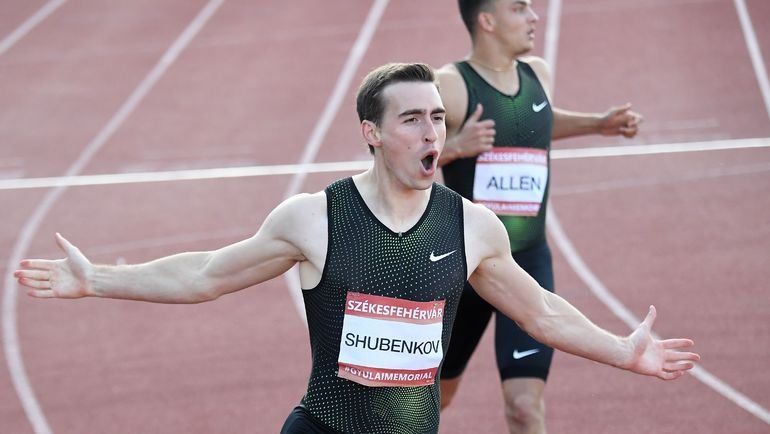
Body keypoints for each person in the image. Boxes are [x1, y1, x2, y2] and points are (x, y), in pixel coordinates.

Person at [15, 63, 696, 434]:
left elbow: (541, 312)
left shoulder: (471, 227)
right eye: (412, 119)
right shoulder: (315, 218)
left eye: (438, 117)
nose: (432, 132)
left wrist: (623, 350)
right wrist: (98, 279)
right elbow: (205, 275)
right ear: (372, 132)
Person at [436, 1, 645, 433]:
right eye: (519, 9)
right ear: (487, 20)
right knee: (431, 399)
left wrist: (597, 124)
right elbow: (398, 151)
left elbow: (536, 119)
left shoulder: (537, 74)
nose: (533, 17)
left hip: (527, 261)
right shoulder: (451, 85)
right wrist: (454, 147)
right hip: (464, 269)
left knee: (524, 408)